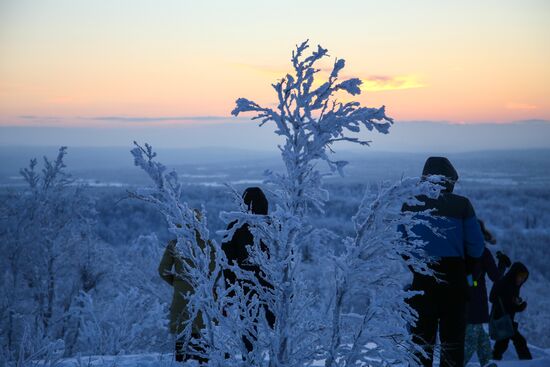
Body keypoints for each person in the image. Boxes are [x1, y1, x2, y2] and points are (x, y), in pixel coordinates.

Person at [402, 157, 485, 367]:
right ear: (450, 180)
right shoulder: (462, 205)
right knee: (452, 346)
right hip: (455, 282)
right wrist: (468, 266)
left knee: (421, 344)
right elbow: (477, 247)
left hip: (422, 280)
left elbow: (400, 242)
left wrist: (415, 263)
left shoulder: (410, 204)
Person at [221, 187, 275, 357]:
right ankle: (281, 359)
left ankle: (250, 361)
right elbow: (288, 259)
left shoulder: (235, 227)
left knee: (248, 328)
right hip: (272, 284)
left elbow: (227, 261)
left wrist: (229, 291)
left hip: (245, 284)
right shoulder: (275, 226)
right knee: (278, 327)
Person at [158, 211, 214, 364]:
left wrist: (177, 282)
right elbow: (216, 271)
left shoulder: (175, 243)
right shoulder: (208, 244)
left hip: (181, 297)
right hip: (204, 299)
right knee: (203, 345)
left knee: (182, 344)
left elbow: (163, 270)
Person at [463, 220, 510, 367]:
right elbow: (496, 278)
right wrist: (502, 265)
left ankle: (487, 362)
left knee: (478, 333)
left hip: (458, 298)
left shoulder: (459, 249)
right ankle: (457, 363)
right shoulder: (483, 253)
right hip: (477, 299)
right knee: (473, 335)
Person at [490, 262, 532, 361]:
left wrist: (516, 301)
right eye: (520, 276)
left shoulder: (513, 286)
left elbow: (508, 302)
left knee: (501, 345)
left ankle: (494, 361)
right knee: (519, 341)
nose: (521, 279)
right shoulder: (506, 283)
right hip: (502, 319)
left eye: (524, 278)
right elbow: (503, 303)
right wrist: (519, 307)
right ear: (514, 274)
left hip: (505, 320)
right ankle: (528, 363)